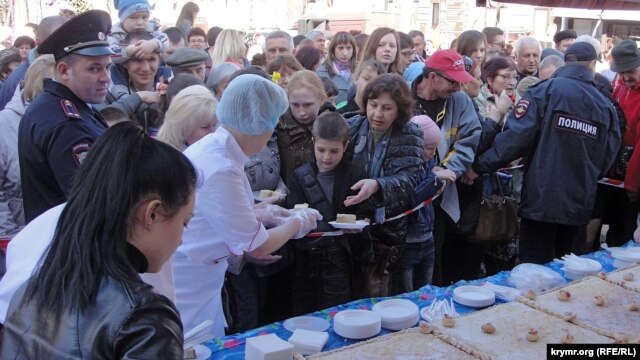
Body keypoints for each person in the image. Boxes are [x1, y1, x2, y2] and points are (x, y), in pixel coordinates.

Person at [0, 121, 197, 358]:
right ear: (151, 213)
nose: (180, 241)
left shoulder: (31, 287)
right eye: (184, 223)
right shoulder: (142, 317)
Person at [172, 74, 322, 337]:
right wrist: (296, 222)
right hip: (189, 281)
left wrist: (265, 213)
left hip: (201, 275)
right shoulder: (221, 168)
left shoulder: (216, 149)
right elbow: (257, 245)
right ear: (261, 127)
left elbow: (215, 213)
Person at [470, 42, 620, 264]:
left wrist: (478, 167)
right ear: (592, 64)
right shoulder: (604, 104)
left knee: (534, 273)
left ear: (566, 62)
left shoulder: (544, 92)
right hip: (578, 203)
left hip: (541, 201)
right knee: (569, 273)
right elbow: (608, 155)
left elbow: (515, 139)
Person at [18, 10, 112, 223]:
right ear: (63, 70)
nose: (106, 78)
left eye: (107, 67)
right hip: (72, 246)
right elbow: (93, 204)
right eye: (94, 68)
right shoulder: (67, 124)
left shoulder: (52, 104)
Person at [342, 73, 424, 296]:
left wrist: (378, 184)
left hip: (388, 228)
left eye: (387, 108)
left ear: (399, 109)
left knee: (382, 288)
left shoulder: (411, 133)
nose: (377, 114)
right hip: (351, 220)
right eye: (373, 105)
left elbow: (409, 178)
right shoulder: (351, 126)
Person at [286, 111, 372, 314]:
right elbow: (293, 214)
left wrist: (359, 224)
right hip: (304, 260)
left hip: (341, 259)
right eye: (321, 149)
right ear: (313, 142)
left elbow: (364, 213)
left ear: (345, 145)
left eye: (334, 151)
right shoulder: (298, 176)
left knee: (337, 314)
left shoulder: (356, 175)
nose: (326, 157)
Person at [411, 50, 482, 285]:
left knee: (435, 256)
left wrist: (443, 173)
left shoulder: (460, 102)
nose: (458, 88)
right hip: (406, 196)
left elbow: (468, 140)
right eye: (453, 81)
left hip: (441, 195)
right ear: (432, 78)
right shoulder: (403, 99)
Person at [0, 55, 54, 246]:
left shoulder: (67, 120)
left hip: (55, 236)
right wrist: (9, 238)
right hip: (18, 238)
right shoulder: (5, 124)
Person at [401, 115, 453, 292]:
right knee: (408, 295)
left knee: (427, 292)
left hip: (427, 237)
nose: (432, 153)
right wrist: (435, 178)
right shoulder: (405, 166)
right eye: (429, 148)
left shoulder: (428, 162)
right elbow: (412, 197)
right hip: (408, 241)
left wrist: (434, 173)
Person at [277, 70, 333, 184]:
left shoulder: (332, 126)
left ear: (321, 99)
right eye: (295, 105)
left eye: (308, 105)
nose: (301, 112)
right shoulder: (278, 125)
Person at [0, 16, 67, 109]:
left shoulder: (59, 68)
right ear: (39, 43)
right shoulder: (24, 78)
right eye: (59, 43)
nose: (66, 49)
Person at [157, 85, 217, 151]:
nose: (213, 132)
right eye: (205, 127)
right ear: (182, 127)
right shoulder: (168, 157)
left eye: (214, 125)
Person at [109, 0, 168, 65]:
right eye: (133, 18)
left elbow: (165, 39)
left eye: (144, 17)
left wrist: (153, 44)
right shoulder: (115, 34)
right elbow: (111, 53)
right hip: (121, 70)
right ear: (122, 19)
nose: (140, 22)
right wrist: (129, 51)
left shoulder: (152, 28)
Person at [475, 56, 519, 125]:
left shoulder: (519, 99)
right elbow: (484, 132)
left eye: (514, 77)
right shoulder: (479, 99)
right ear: (490, 80)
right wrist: (500, 112)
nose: (512, 83)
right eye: (506, 77)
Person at [317, 31, 357, 105]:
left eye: (348, 48)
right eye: (340, 48)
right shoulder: (321, 72)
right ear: (333, 50)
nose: (345, 53)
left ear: (353, 50)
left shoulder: (361, 70)